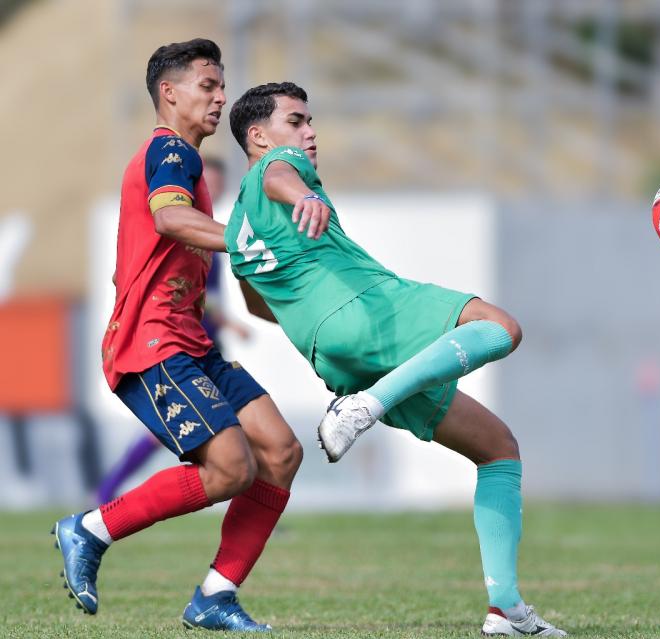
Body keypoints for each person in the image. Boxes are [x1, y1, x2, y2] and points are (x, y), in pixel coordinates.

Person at [225, 82, 567, 637]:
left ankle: (505, 608)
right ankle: (367, 405)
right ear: (258, 136)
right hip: (368, 308)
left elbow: (259, 306)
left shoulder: (239, 227)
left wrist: (319, 321)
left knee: (497, 449)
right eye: (296, 121)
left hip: (330, 354)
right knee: (501, 327)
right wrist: (304, 197)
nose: (309, 133)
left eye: (311, 122)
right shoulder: (276, 170)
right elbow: (279, 175)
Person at [51, 41, 302, 633]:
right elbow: (169, 216)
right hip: (151, 344)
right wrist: (248, 239)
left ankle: (216, 595)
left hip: (191, 344)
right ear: (170, 93)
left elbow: (229, 269)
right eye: (208, 86)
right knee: (233, 468)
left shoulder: (192, 162)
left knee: (281, 453)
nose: (220, 98)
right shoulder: (169, 152)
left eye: (221, 86)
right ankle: (90, 529)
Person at [93, 157, 249, 506]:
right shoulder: (178, 229)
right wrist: (231, 322)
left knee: (243, 428)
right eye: (208, 181)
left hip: (203, 344)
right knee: (218, 432)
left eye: (219, 182)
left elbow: (205, 294)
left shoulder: (208, 233)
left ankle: (105, 498)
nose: (214, 188)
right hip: (175, 348)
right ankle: (106, 501)